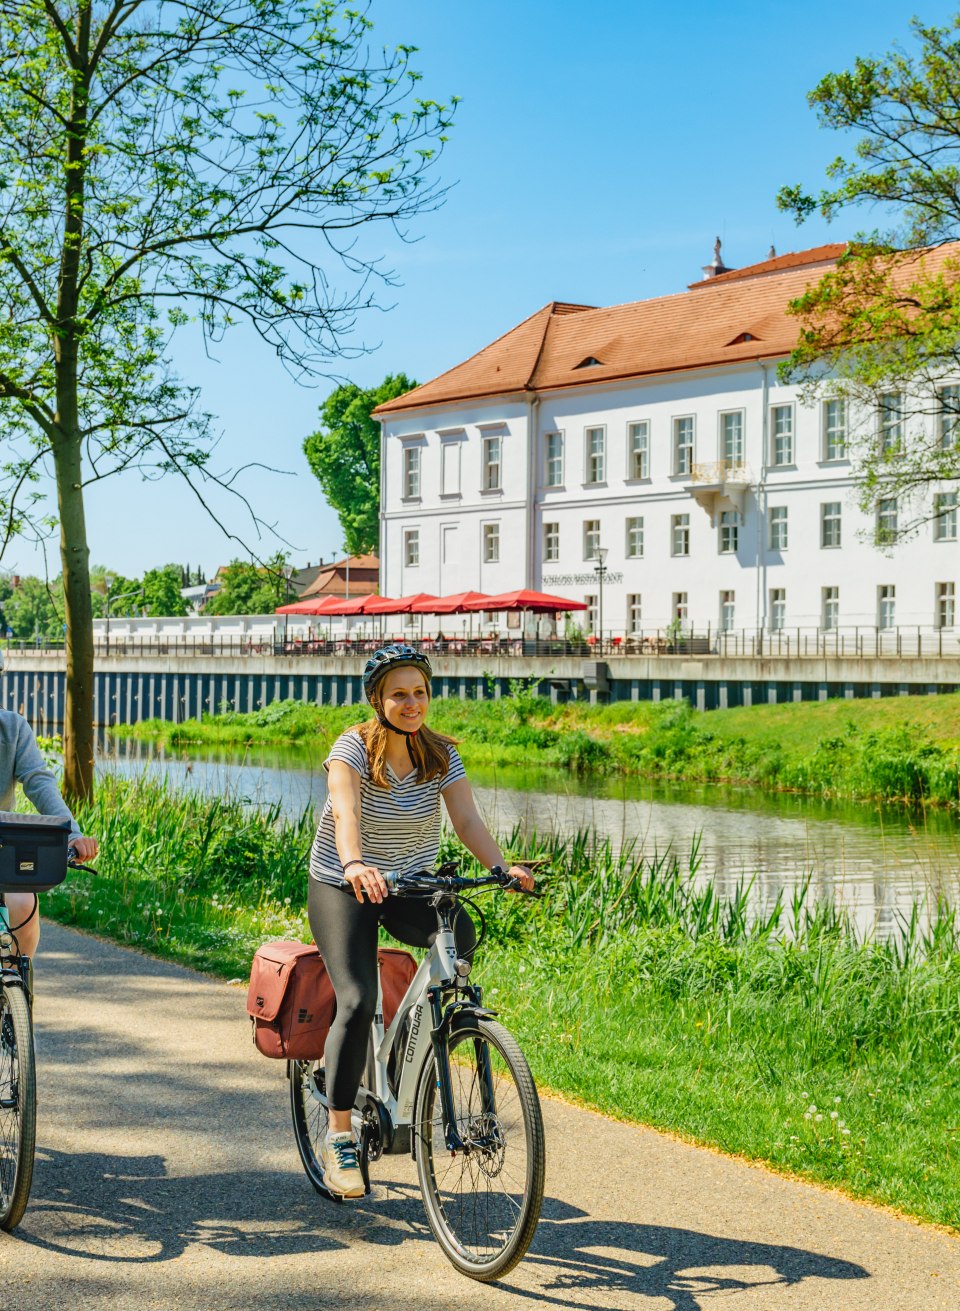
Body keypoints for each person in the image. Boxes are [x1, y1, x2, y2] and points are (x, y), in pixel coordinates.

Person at [308, 643, 533, 1198]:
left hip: (409, 883)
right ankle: (338, 1136)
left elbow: (466, 820)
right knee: (358, 1001)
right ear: (378, 700)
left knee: (461, 937)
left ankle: (416, 1044)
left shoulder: (440, 755)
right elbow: (346, 812)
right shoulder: (353, 749)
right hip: (344, 883)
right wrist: (356, 862)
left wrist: (503, 867)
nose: (413, 704)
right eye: (400, 694)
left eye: (421, 693)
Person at [0, 654, 99, 958]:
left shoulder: (12, 728)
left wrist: (71, 834)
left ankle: (15, 991)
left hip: (2, 852)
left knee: (24, 905)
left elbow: (39, 782)